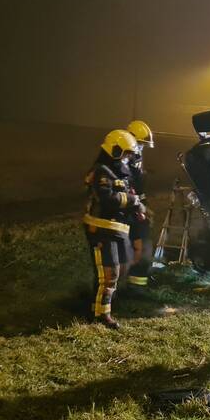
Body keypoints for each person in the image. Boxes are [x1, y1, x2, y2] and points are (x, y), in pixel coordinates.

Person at [83, 129, 144, 329]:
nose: (127, 158)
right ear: (115, 150)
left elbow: (128, 194)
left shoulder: (120, 172)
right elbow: (107, 198)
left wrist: (137, 207)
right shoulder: (101, 171)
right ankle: (101, 316)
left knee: (114, 274)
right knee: (108, 275)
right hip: (101, 229)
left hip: (117, 229)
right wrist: (132, 201)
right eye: (125, 153)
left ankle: (98, 311)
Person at [125, 119, 155, 291]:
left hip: (137, 208)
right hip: (129, 211)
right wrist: (139, 208)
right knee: (139, 246)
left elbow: (138, 186)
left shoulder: (135, 158)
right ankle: (135, 285)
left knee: (142, 245)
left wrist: (145, 206)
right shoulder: (124, 160)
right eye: (140, 144)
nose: (141, 148)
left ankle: (138, 282)